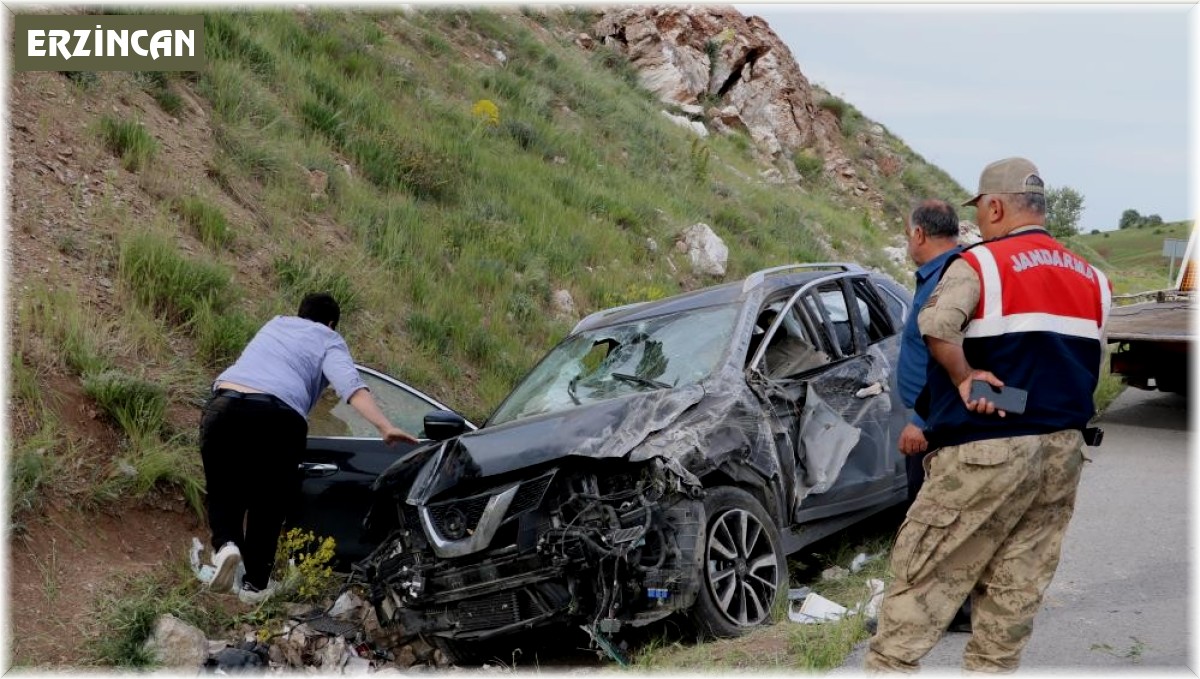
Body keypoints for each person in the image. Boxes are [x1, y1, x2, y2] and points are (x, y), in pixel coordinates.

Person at [866, 158, 1111, 672]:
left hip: (987, 446)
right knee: (1016, 586)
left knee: (923, 575)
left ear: (995, 206)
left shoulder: (980, 263)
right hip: (1061, 453)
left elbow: (937, 327)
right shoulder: (1093, 278)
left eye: (982, 210)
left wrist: (964, 377)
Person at [199, 292, 418, 604]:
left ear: (299, 314)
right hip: (277, 415)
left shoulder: (275, 325)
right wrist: (384, 426)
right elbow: (351, 387)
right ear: (331, 323)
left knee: (223, 488)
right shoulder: (328, 338)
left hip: (223, 405)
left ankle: (225, 547)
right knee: (268, 503)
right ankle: (255, 586)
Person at [894, 199, 971, 634]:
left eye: (908, 233)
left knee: (929, 519)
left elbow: (944, 350)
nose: (908, 241)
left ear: (920, 234)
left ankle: (932, 614)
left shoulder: (949, 277)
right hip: (936, 415)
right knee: (941, 516)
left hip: (936, 419)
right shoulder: (941, 274)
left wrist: (920, 420)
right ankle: (953, 609)